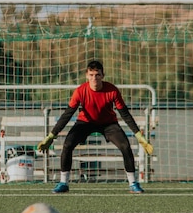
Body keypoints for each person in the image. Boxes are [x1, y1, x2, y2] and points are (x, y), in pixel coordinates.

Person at [37, 60, 153, 194]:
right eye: (91, 75)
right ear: (87, 75)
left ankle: (133, 183)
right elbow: (67, 114)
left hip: (108, 124)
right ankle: (63, 183)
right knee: (68, 145)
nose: (94, 78)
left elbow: (125, 114)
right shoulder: (80, 91)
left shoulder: (112, 90)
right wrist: (52, 135)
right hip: (85, 123)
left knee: (125, 146)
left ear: (103, 75)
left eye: (97, 75)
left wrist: (138, 135)